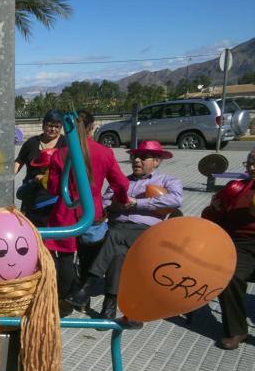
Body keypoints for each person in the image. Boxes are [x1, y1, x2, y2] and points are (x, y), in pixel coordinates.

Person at [65, 141, 182, 321]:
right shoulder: (121, 181)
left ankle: (87, 287)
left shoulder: (167, 181)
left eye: (143, 157)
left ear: (156, 161)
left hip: (143, 231)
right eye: (134, 156)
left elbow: (175, 200)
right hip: (116, 227)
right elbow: (104, 202)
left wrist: (137, 203)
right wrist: (114, 205)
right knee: (118, 253)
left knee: (114, 237)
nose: (136, 160)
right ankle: (109, 307)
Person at [45, 110, 129, 313]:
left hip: (65, 213)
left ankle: (65, 299)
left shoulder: (60, 154)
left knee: (65, 258)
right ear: (92, 127)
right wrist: (123, 200)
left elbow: (54, 188)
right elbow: (121, 183)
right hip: (92, 213)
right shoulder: (104, 152)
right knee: (88, 258)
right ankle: (83, 300)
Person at [203, 148, 255, 350]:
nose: (252, 168)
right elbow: (211, 217)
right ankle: (236, 330)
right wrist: (215, 208)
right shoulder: (236, 188)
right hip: (241, 242)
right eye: (249, 163)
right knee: (229, 275)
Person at [15, 110, 66, 226]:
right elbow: (19, 161)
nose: (53, 129)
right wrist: (6, 177)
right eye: (50, 125)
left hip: (55, 199)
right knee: (30, 230)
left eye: (57, 127)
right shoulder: (31, 143)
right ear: (43, 126)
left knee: (52, 232)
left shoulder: (65, 143)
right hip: (31, 196)